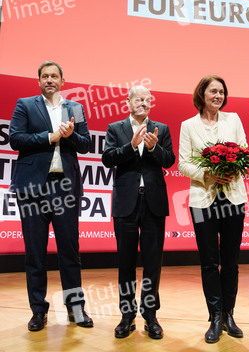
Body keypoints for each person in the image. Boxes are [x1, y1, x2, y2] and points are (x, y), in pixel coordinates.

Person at [9, 61, 93, 331]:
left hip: (65, 188)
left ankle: (75, 309)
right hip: (32, 190)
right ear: (38, 81)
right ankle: (38, 310)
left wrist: (67, 136)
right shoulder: (25, 104)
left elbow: (86, 143)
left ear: (62, 81)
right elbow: (15, 139)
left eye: (54, 76)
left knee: (70, 251)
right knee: (35, 252)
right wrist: (50, 136)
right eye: (44, 76)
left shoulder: (75, 108)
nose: (49, 80)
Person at [102, 86, 175, 339]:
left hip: (153, 202)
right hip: (126, 203)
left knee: (153, 263)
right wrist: (131, 146)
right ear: (128, 102)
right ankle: (127, 315)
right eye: (138, 99)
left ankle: (151, 315)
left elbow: (169, 161)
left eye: (147, 100)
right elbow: (108, 158)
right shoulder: (115, 128)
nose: (143, 103)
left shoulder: (162, 129)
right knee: (126, 262)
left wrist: (154, 149)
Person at [178, 75, 247, 343]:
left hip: (233, 197)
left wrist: (230, 170)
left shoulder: (234, 119)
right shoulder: (188, 125)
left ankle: (229, 314)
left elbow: (243, 150)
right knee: (209, 262)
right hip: (202, 200)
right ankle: (215, 316)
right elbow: (183, 163)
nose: (218, 96)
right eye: (213, 91)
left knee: (231, 261)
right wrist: (209, 175)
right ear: (202, 94)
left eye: (221, 92)